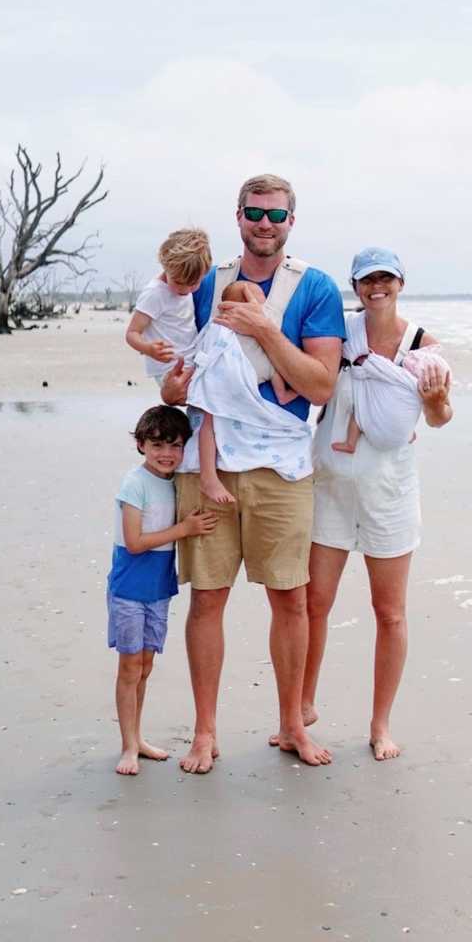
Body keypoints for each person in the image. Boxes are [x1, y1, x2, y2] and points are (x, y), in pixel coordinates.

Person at [162, 174, 345, 772]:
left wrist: (266, 326)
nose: (264, 224)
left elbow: (321, 385)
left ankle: (293, 725)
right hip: (205, 462)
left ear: (293, 221)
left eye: (276, 215)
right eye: (254, 213)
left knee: (290, 601)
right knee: (207, 600)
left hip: (283, 466)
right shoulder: (202, 286)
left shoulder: (314, 287)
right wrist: (171, 386)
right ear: (236, 217)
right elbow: (175, 373)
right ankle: (205, 732)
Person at [306, 247, 452, 761]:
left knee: (389, 612)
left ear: (401, 283)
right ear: (355, 285)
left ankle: (380, 725)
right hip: (330, 486)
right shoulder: (340, 332)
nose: (377, 287)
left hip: (390, 493)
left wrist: (435, 400)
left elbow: (439, 418)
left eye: (386, 279)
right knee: (313, 604)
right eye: (368, 280)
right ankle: (302, 710)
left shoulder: (423, 346)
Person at [108, 405, 217, 775]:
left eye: (174, 445)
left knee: (146, 665)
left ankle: (137, 737)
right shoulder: (134, 484)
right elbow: (135, 542)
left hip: (159, 586)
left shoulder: (174, 484)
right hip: (129, 586)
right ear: (140, 445)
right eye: (157, 445)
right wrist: (184, 530)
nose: (166, 453)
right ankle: (127, 746)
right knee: (129, 666)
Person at [196, 280, 298, 506]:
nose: (261, 300)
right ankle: (208, 477)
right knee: (209, 420)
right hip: (229, 374)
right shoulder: (225, 322)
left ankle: (289, 393)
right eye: (256, 295)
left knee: (276, 371)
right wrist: (246, 294)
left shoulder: (263, 325)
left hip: (256, 369)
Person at [125, 229, 213, 385]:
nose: (185, 290)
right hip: (168, 368)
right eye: (179, 283)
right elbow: (132, 333)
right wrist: (148, 349)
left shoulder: (188, 277)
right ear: (165, 266)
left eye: (193, 284)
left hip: (192, 359)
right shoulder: (155, 294)